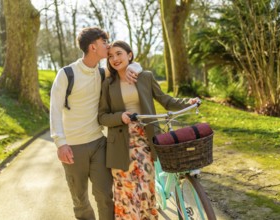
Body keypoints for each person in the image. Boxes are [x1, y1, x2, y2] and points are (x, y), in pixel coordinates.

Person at [98, 40, 199, 220]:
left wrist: (187, 102)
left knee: (145, 190)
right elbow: (102, 116)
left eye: (119, 53)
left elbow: (165, 100)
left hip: (145, 139)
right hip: (120, 145)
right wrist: (120, 116)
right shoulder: (108, 84)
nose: (114, 58)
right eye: (110, 56)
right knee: (126, 194)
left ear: (129, 55)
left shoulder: (145, 77)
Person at [50, 28, 142, 220]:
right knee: (80, 199)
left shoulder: (102, 73)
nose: (108, 45)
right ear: (93, 47)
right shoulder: (66, 74)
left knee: (105, 195)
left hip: (99, 143)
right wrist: (60, 143)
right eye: (104, 42)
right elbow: (55, 110)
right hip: (73, 148)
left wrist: (135, 68)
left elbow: (127, 65)